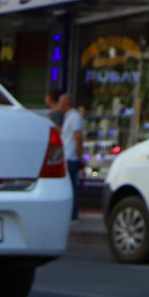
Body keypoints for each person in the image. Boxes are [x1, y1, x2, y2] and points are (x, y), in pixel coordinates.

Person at [58, 92, 84, 220]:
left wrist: (79, 157)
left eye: (61, 103)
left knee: (71, 187)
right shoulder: (68, 117)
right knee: (69, 186)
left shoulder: (74, 117)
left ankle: (73, 214)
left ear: (65, 104)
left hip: (71, 157)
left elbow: (78, 137)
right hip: (67, 157)